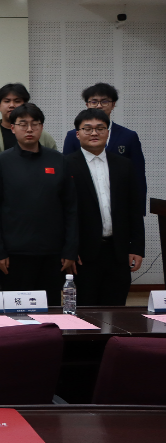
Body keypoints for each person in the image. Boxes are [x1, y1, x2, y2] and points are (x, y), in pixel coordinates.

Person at [0, 103, 77, 306]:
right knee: (15, 310)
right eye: (23, 124)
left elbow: (70, 208)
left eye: (35, 124)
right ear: (12, 128)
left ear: (41, 127)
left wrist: (70, 250)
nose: (29, 129)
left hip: (53, 254)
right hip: (13, 254)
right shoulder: (0, 162)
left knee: (50, 309)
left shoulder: (58, 160)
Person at [65, 109, 145, 306]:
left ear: (108, 133)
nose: (94, 133)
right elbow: (60, 212)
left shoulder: (124, 165)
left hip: (117, 252)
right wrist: (68, 250)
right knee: (85, 311)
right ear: (78, 134)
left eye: (100, 128)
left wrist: (137, 247)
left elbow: (134, 208)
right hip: (82, 255)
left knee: (116, 309)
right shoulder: (65, 165)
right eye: (88, 129)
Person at [62, 82, 147, 213]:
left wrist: (139, 210)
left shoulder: (129, 136)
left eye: (104, 101)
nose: (99, 105)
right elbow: (66, 172)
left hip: (120, 203)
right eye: (94, 101)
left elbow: (138, 176)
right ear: (87, 105)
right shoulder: (73, 135)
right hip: (84, 204)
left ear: (113, 104)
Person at [0, 83, 57, 154]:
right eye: (7, 101)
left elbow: (54, 158)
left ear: (25, 105)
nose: (12, 105)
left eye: (17, 101)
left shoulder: (42, 136)